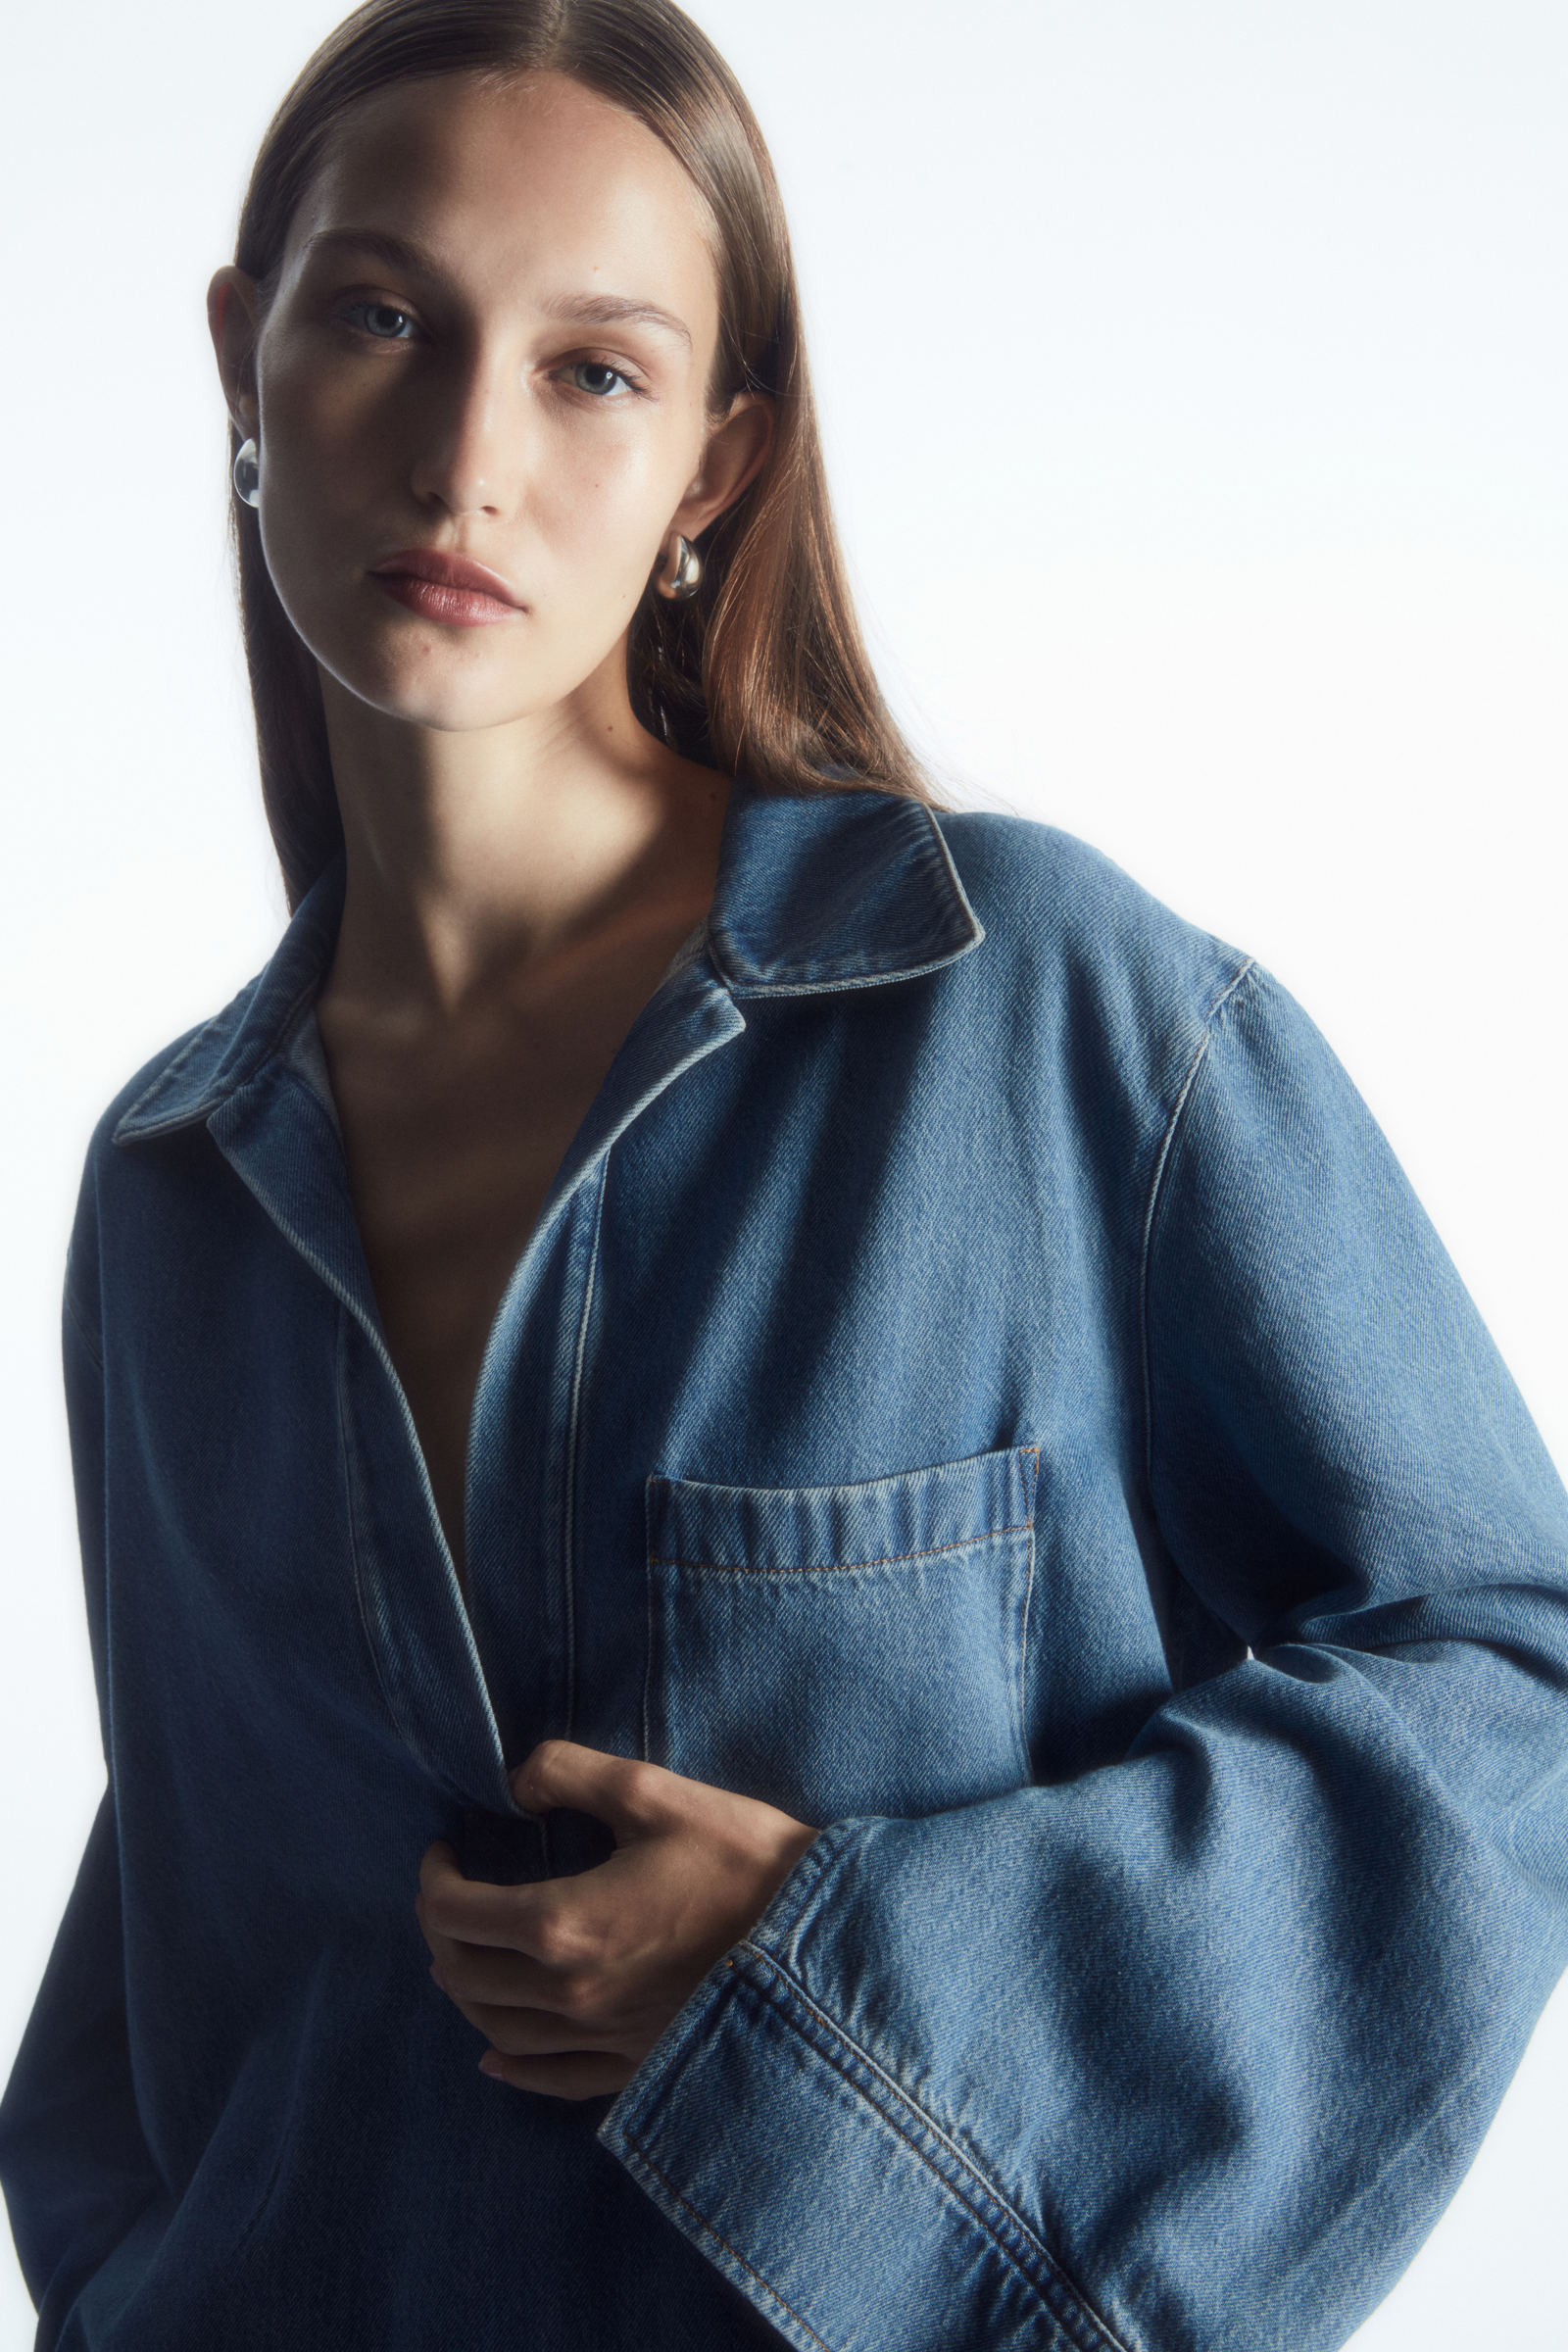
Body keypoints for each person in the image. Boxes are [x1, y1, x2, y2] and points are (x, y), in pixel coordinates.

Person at [3, 0, 1566, 2345]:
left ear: (714, 464)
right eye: (383, 319)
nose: (464, 458)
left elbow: (1512, 1673)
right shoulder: (173, 1191)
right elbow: (191, 1941)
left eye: (592, 371)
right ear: (243, 357)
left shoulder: (1033, 1007)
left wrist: (833, 1986)